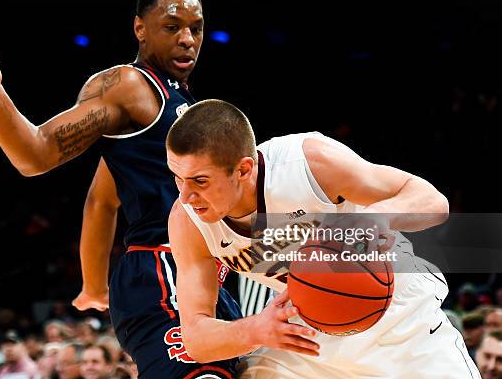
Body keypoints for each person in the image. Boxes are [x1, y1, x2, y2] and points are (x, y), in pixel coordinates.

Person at [0, 0, 240, 378]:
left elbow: (102, 199)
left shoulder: (179, 104)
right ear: (140, 29)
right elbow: (36, 153)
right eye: (172, 27)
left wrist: (94, 287)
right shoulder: (129, 87)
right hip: (163, 273)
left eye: (195, 29)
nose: (187, 39)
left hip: (201, 273)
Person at [166, 99, 480, 378]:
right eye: (177, 178)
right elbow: (195, 338)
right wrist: (254, 329)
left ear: (244, 170)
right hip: (311, 336)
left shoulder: (308, 165)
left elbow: (433, 201)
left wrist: (377, 218)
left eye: (200, 181)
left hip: (402, 324)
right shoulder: (187, 222)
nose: (186, 196)